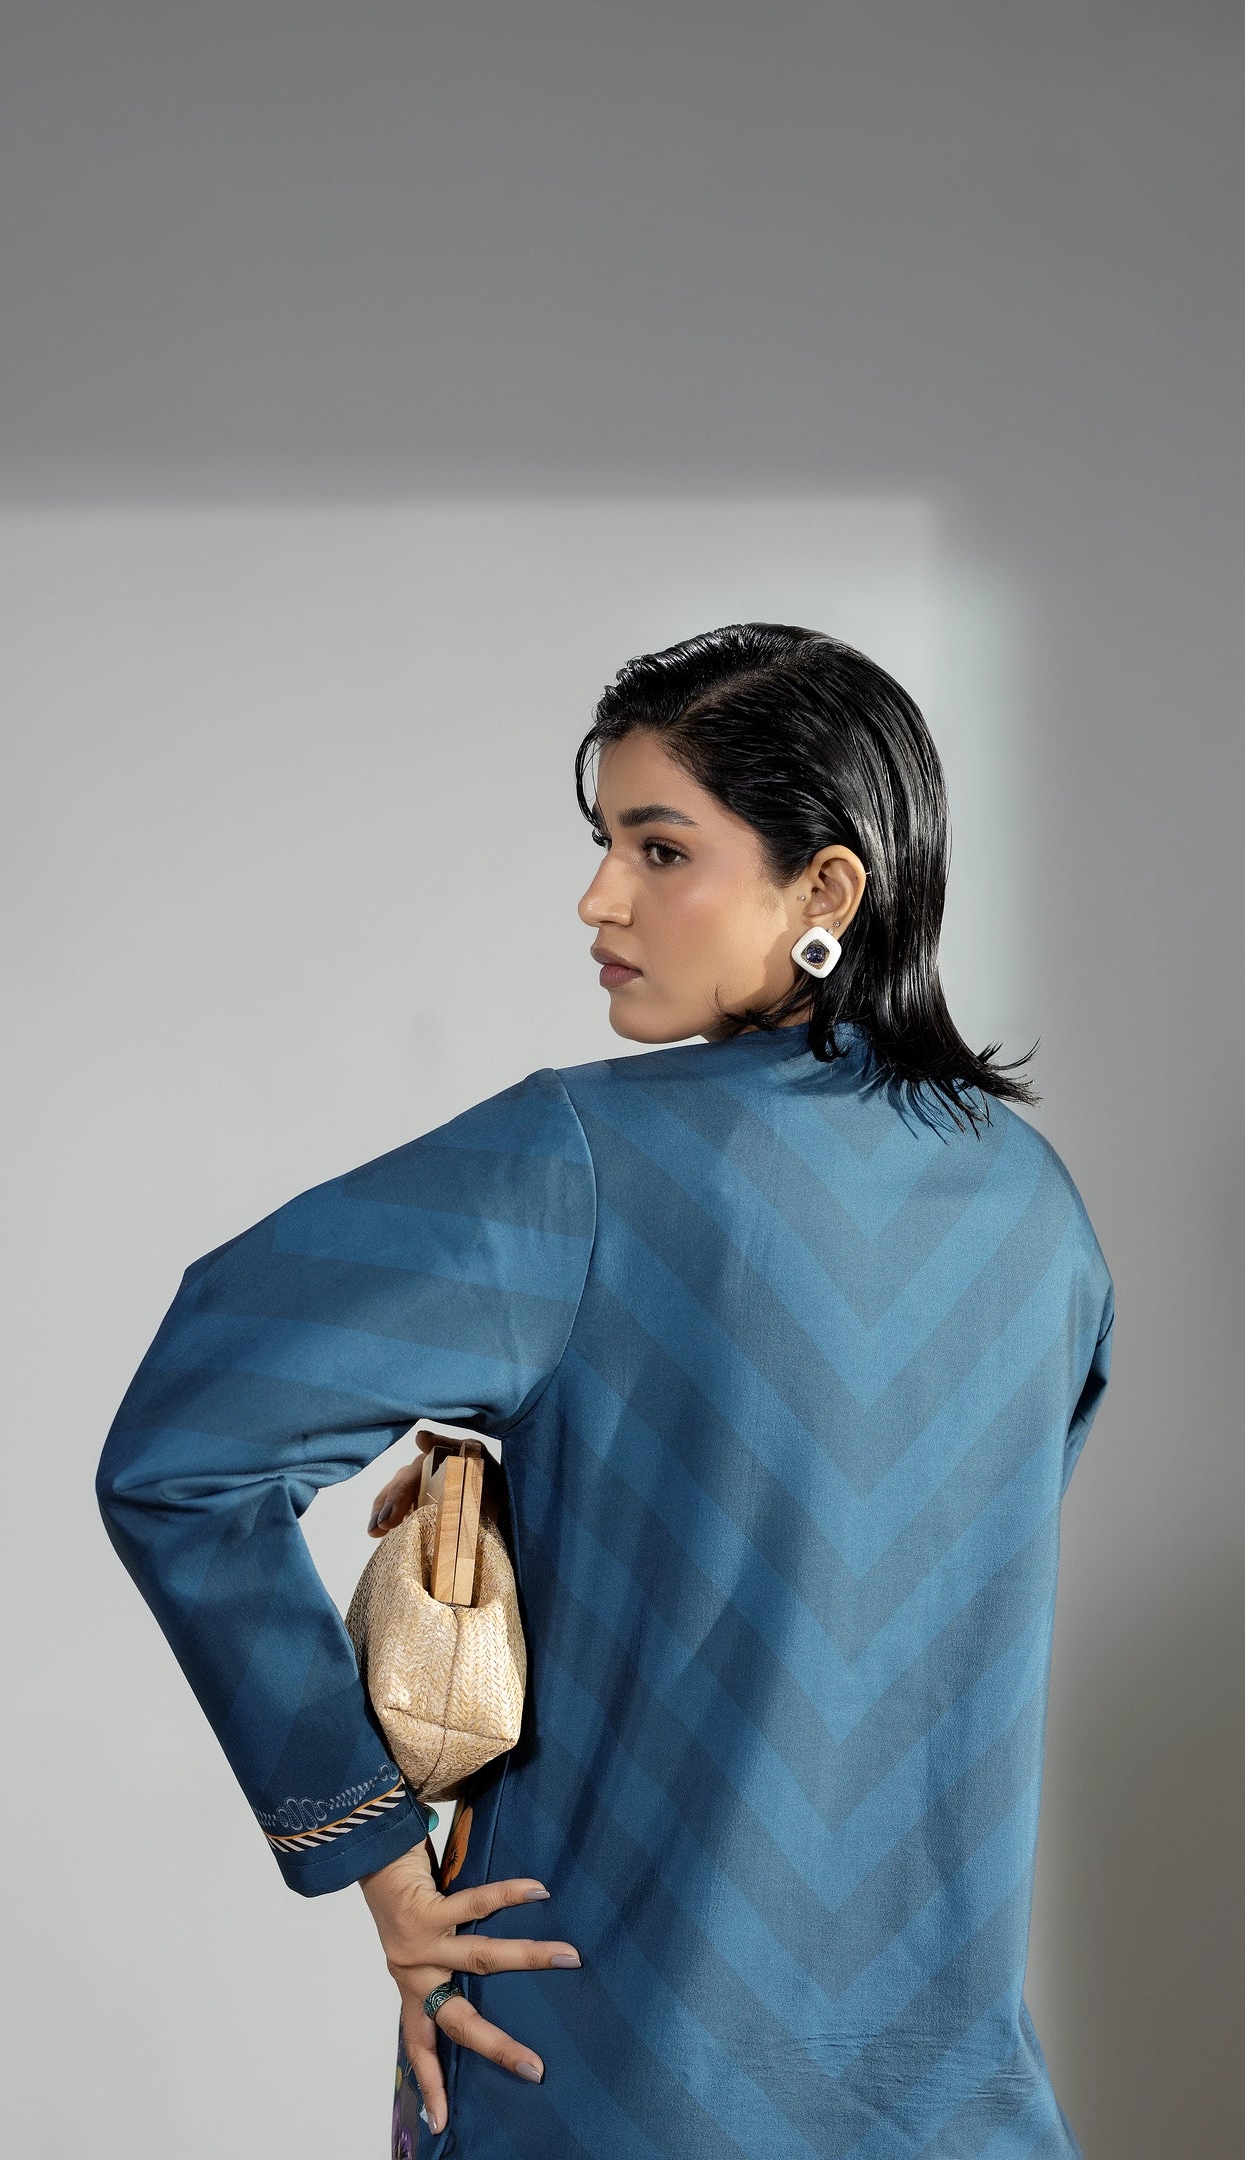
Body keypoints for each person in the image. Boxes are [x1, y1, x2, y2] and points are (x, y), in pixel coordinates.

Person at [96, 622, 1114, 2160]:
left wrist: (376, 1854)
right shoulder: (1039, 1211)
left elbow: (185, 1445)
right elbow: (871, 1589)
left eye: (660, 848)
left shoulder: (580, 1163)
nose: (599, 898)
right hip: (944, 2108)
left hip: (601, 2069)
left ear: (827, 891)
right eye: (605, 844)